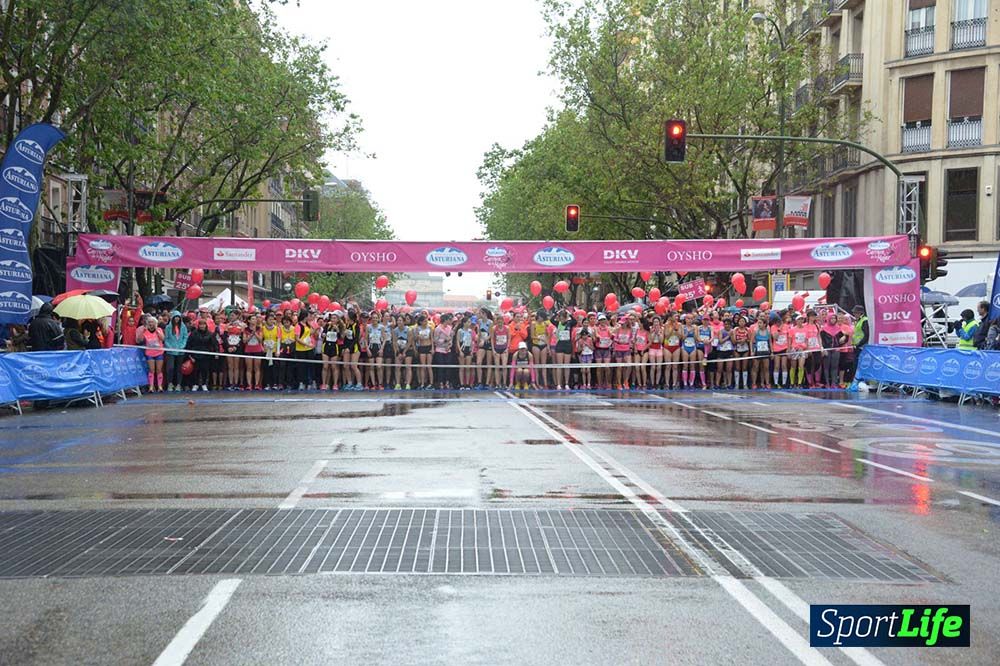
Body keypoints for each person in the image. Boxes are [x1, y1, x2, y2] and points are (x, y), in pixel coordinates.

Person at [186, 318, 216, 391]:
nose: (202, 326)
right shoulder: (193, 333)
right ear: (198, 325)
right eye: (200, 324)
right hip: (195, 355)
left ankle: (204, 384)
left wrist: (212, 352)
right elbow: (189, 344)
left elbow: (214, 344)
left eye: (203, 324)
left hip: (206, 356)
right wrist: (190, 356)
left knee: (205, 370)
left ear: (206, 325)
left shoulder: (210, 334)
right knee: (196, 370)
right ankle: (195, 384)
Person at [140, 317, 165, 392]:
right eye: (150, 322)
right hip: (150, 353)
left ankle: (160, 386)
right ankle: (151, 386)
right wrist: (142, 332)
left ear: (155, 323)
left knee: (159, 370)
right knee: (151, 370)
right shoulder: (145, 331)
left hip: (159, 352)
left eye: (152, 322)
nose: (151, 324)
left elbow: (163, 339)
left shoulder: (159, 330)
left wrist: (158, 332)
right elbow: (139, 340)